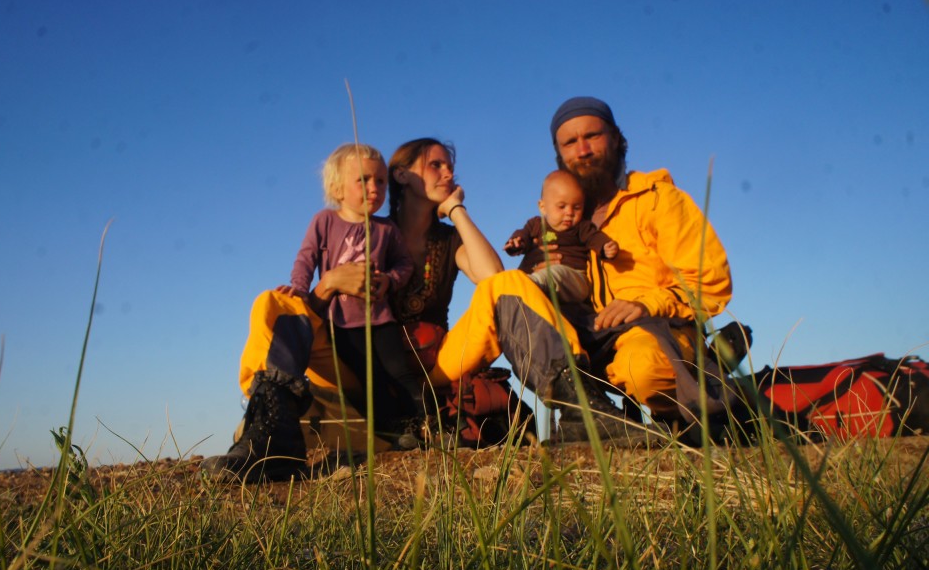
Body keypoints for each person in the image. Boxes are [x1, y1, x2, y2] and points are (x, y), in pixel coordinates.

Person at [199, 138, 505, 480]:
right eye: (436, 165)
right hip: (352, 353)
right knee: (270, 302)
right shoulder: (339, 222)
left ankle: (423, 422)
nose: (449, 172)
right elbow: (306, 260)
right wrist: (325, 284)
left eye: (450, 165)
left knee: (508, 286)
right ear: (403, 175)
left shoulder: (441, 240)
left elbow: (493, 278)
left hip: (431, 366)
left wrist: (455, 210)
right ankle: (270, 431)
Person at [547, 96, 733, 421]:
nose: (583, 150)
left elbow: (710, 282)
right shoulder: (564, 220)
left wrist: (647, 304)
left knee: (640, 368)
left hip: (658, 330)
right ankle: (589, 419)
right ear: (559, 155)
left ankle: (698, 404)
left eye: (592, 136)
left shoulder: (659, 200)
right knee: (509, 295)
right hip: (590, 340)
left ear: (617, 138)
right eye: (570, 142)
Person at [285, 143, 423, 439]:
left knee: (400, 372)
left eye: (381, 181)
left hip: (381, 319)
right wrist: (298, 288)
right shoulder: (324, 221)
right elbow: (305, 258)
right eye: (363, 179)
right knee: (368, 376)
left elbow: (404, 264)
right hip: (342, 323)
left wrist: (390, 280)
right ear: (337, 189)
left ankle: (427, 423)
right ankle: (391, 433)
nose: (374, 187)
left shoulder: (386, 229)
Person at [504, 169, 619, 303]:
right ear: (543, 207)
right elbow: (522, 236)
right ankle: (521, 288)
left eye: (576, 207)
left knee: (556, 273)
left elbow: (594, 237)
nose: (569, 212)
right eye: (562, 206)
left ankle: (528, 285)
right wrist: (515, 243)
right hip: (544, 279)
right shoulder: (535, 224)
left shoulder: (582, 226)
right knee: (513, 276)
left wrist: (605, 247)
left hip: (576, 279)